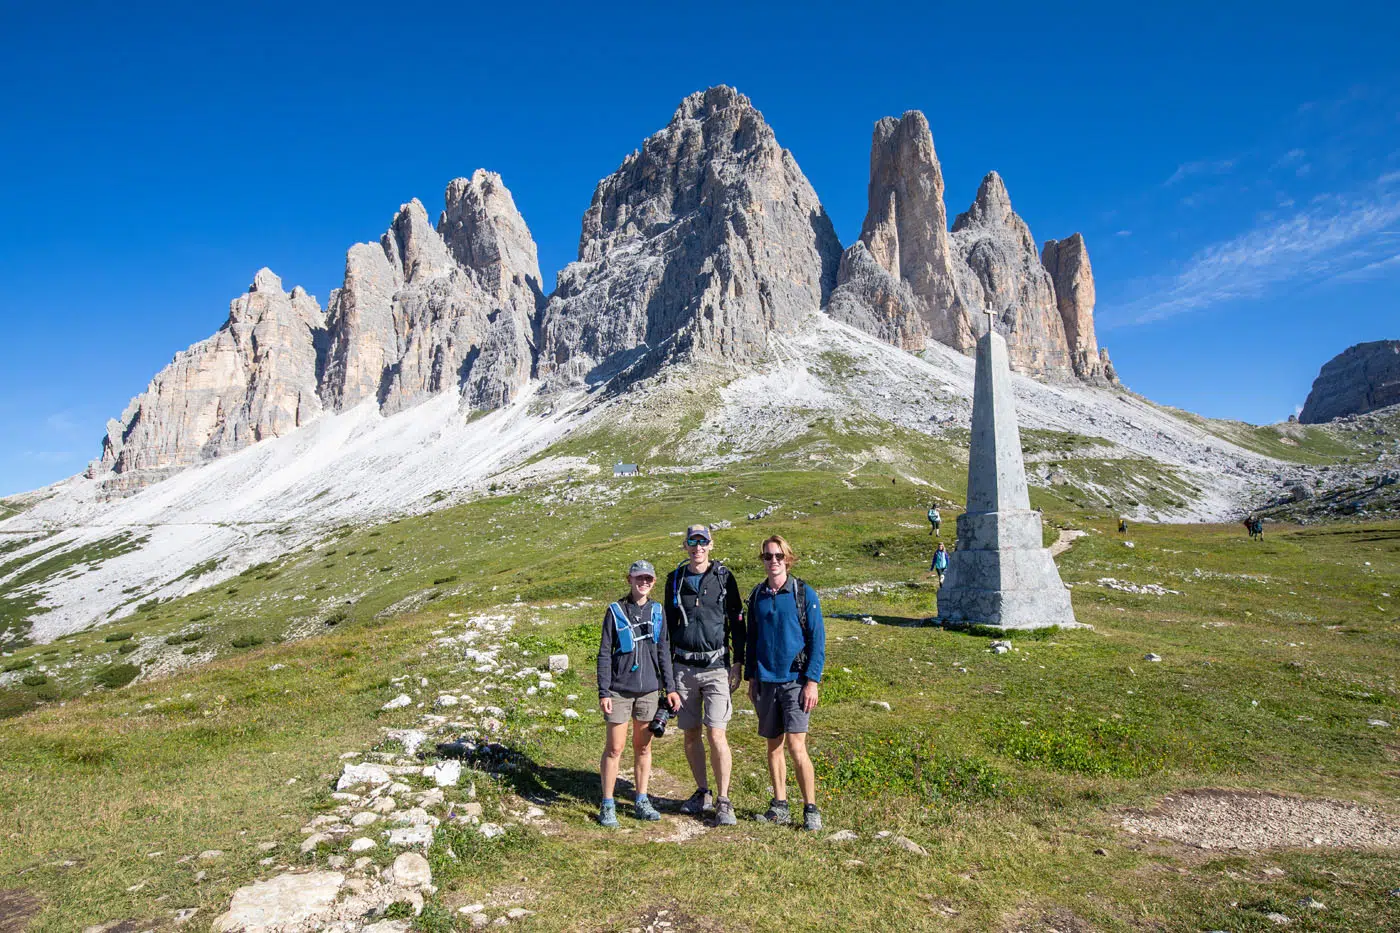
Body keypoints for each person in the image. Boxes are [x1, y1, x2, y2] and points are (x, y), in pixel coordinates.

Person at [664, 524, 746, 826]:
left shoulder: (724, 578)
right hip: (683, 668)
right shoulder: (675, 580)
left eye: (703, 541)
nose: (697, 547)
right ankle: (702, 791)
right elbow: (669, 629)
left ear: (711, 545)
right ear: (685, 546)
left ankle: (723, 799)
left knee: (716, 733)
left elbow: (738, 622)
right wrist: (667, 673)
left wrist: (739, 662)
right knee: (690, 733)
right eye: (692, 542)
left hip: (716, 668)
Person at [745, 534, 826, 831]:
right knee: (773, 746)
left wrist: (812, 682)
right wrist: (751, 677)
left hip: (795, 680)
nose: (774, 561)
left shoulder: (805, 594)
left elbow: (817, 641)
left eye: (779, 556)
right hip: (766, 681)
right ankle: (780, 806)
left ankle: (810, 808)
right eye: (768, 556)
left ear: (788, 559)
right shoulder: (757, 596)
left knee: (796, 745)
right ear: (763, 560)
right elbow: (751, 641)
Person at [596, 560, 681, 827]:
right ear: (629, 580)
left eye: (649, 579)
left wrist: (671, 688)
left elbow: (664, 651)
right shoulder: (615, 611)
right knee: (615, 748)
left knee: (643, 747)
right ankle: (608, 804)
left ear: (653, 582)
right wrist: (604, 690)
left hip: (649, 691)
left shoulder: (658, 611)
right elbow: (604, 654)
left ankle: (641, 800)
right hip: (619, 690)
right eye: (638, 578)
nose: (643, 583)